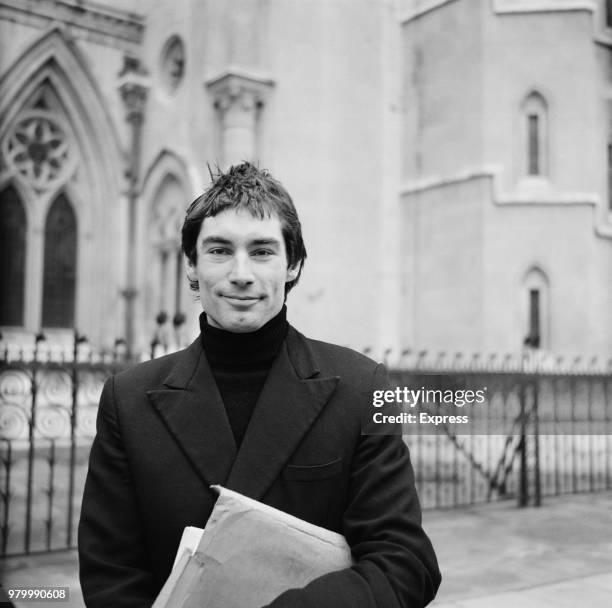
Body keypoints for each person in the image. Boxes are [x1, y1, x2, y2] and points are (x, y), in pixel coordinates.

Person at [78, 162, 441, 607]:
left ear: (294, 265)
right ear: (192, 266)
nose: (241, 273)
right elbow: (111, 575)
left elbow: (405, 561)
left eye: (262, 251)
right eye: (219, 250)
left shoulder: (362, 388)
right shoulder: (128, 400)